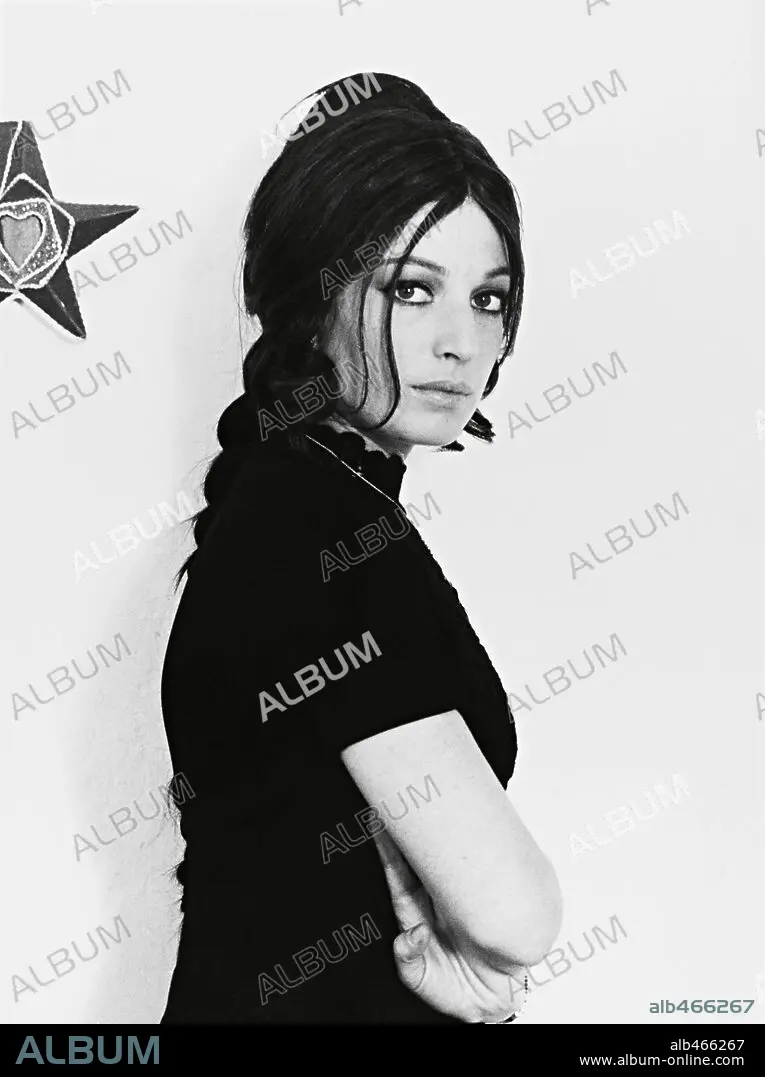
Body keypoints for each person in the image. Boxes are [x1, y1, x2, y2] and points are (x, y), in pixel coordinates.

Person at [159, 72, 562, 1025]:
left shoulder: (302, 502)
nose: (462, 342)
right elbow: (515, 914)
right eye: (411, 290)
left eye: (490, 299)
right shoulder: (319, 524)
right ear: (312, 297)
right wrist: (494, 943)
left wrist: (478, 991)